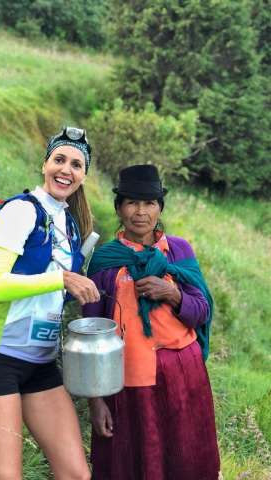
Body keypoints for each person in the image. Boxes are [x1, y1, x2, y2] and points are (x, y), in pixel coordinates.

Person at [0, 126, 100, 480]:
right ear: (44, 164)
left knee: (76, 474)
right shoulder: (21, 211)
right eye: (59, 160)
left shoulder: (70, 225)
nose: (66, 170)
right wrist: (61, 279)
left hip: (41, 363)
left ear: (83, 176)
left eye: (75, 164)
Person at [83, 164, 220, 480]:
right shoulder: (105, 262)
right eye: (131, 202)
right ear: (119, 208)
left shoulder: (177, 251)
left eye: (148, 203)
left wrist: (172, 294)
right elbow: (91, 334)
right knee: (132, 463)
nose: (140, 212)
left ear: (160, 208)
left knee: (185, 461)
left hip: (183, 377)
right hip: (125, 381)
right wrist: (95, 402)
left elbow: (202, 311)